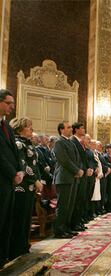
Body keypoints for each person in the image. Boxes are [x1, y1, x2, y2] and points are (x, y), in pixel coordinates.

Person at [9, 117, 43, 259]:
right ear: (20, 128)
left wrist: (38, 180)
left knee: (26, 218)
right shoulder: (18, 143)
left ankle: (24, 245)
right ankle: (16, 248)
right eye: (29, 127)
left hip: (29, 186)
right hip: (21, 186)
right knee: (19, 217)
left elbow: (34, 164)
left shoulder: (28, 144)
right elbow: (23, 165)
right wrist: (35, 180)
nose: (31, 129)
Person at [0, 89, 24, 268]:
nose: (12, 107)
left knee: (6, 218)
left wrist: (20, 171)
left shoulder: (7, 126)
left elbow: (15, 153)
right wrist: (12, 173)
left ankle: (3, 255)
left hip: (10, 181)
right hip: (2, 178)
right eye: (9, 103)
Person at [53, 121, 84, 239]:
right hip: (64, 178)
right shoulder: (59, 142)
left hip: (73, 178)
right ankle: (59, 230)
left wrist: (79, 170)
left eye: (71, 127)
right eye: (68, 127)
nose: (71, 129)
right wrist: (77, 170)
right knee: (63, 206)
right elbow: (64, 160)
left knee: (70, 205)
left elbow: (77, 158)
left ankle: (67, 228)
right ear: (61, 130)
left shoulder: (70, 142)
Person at [70, 122, 93, 231]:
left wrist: (88, 168)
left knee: (81, 199)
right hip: (78, 174)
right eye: (82, 128)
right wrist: (83, 169)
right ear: (76, 130)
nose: (84, 129)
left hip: (83, 173)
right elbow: (75, 159)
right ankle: (74, 223)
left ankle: (78, 222)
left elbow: (84, 159)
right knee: (77, 200)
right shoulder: (72, 141)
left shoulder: (79, 142)